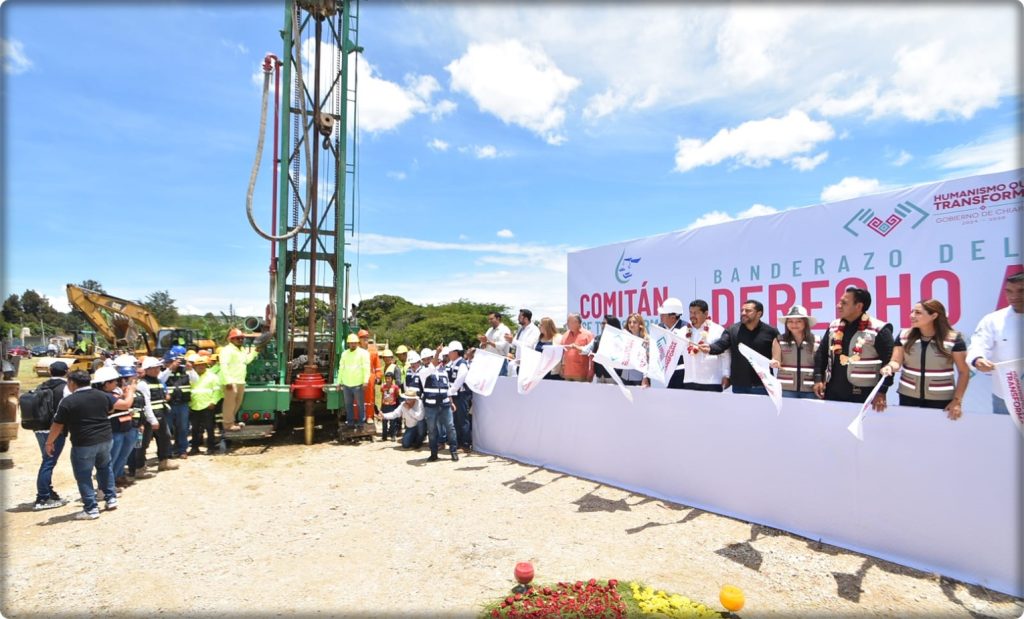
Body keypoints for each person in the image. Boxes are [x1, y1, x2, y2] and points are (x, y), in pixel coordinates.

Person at [45, 369, 118, 519]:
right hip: (105, 438)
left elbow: (57, 424)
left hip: (84, 442)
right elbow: (111, 408)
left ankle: (91, 509)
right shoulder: (103, 395)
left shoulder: (68, 401)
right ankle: (111, 499)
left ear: (72, 383)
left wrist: (49, 442)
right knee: (105, 468)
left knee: (84, 475)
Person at [881, 299, 969, 419]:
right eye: (912, 312)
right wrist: (889, 367)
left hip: (940, 400)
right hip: (908, 397)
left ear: (934, 315)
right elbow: (896, 362)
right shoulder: (903, 335)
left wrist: (957, 401)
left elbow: (964, 372)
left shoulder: (954, 339)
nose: (912, 315)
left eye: (918, 313)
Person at [812, 287, 894, 410]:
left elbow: (889, 362)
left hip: (863, 395)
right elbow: (822, 354)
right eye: (839, 302)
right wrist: (818, 378)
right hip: (833, 393)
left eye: (844, 303)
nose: (838, 305)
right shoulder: (834, 326)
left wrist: (882, 391)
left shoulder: (879, 329)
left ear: (859, 306)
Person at [967, 272, 1024, 414]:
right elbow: (978, 344)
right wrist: (977, 359)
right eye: (1009, 291)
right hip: (1006, 397)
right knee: (1005, 435)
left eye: (1021, 291)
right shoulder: (994, 320)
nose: (1014, 296)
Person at [701, 299, 780, 395]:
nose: (743, 313)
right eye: (742, 310)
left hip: (763, 385)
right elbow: (721, 344)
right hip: (739, 385)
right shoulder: (732, 329)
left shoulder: (771, 332)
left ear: (759, 314)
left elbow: (779, 355)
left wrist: (776, 360)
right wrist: (710, 348)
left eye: (748, 311)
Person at [32, 361, 71, 510]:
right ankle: (43, 497)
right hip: (55, 430)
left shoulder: (42, 385)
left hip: (39, 428)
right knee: (48, 462)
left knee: (47, 460)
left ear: (50, 371)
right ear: (66, 372)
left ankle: (48, 491)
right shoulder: (65, 388)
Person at [136, 356, 178, 472]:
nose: (157, 370)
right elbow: (146, 404)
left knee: (165, 437)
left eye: (158, 367)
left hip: (160, 415)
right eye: (154, 368)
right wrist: (152, 420)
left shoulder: (157, 380)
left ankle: (164, 461)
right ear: (147, 369)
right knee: (143, 443)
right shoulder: (143, 384)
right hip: (149, 417)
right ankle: (139, 467)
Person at [770, 305, 818, 399]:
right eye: (790, 321)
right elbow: (776, 359)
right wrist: (774, 363)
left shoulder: (817, 340)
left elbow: (821, 365)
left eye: (798, 321)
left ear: (805, 323)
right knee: (787, 414)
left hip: (810, 389)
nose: (794, 324)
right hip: (786, 388)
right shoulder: (779, 340)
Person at [682, 300, 730, 392]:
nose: (692, 315)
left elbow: (726, 354)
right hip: (690, 380)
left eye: (696, 313)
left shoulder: (718, 330)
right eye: (691, 312)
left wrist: (726, 374)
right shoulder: (683, 331)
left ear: (706, 313)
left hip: (712, 382)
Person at [110, 356, 142, 488]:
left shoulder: (134, 387)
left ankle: (118, 476)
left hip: (129, 425)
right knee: (114, 456)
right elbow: (122, 404)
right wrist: (128, 393)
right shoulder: (111, 388)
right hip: (115, 427)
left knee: (124, 454)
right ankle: (109, 482)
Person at [160, 347, 198, 459]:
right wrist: (170, 369)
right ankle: (167, 451)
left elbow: (196, 380)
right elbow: (160, 380)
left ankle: (182, 450)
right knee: (167, 430)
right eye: (170, 362)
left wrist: (190, 369)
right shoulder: (164, 372)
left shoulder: (185, 371)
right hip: (169, 405)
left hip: (183, 404)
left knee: (183, 428)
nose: (173, 364)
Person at [421, 352, 458, 462]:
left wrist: (451, 402)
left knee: (450, 428)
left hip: (445, 404)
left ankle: (453, 451)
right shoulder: (425, 372)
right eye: (437, 360)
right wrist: (437, 352)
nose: (440, 362)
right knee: (432, 430)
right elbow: (431, 368)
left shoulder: (444, 372)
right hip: (431, 406)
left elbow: (447, 388)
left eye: (440, 360)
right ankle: (433, 453)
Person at [220, 328, 258, 432]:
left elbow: (246, 360)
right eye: (237, 338)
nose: (240, 340)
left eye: (241, 338)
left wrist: (255, 352)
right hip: (231, 381)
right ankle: (228, 425)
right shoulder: (227, 350)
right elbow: (224, 366)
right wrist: (228, 381)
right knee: (230, 404)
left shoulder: (241, 350)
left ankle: (232, 422)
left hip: (240, 381)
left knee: (237, 403)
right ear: (231, 339)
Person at [188, 354, 222, 455]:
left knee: (210, 428)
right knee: (195, 429)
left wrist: (213, 402)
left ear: (206, 365)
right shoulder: (191, 377)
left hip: (207, 406)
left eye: (203, 365)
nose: (201, 367)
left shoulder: (212, 377)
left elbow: (217, 391)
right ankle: (195, 448)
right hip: (194, 405)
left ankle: (211, 448)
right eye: (199, 365)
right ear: (195, 366)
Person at [653, 298, 690, 388]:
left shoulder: (686, 329)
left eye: (663, 314)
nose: (660, 316)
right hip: (662, 374)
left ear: (673, 317)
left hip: (681, 375)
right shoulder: (659, 328)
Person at [337, 333, 370, 431]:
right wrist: (339, 382)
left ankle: (361, 423)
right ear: (348, 344)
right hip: (347, 385)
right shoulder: (344, 354)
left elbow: (366, 368)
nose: (353, 345)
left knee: (360, 405)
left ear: (358, 343)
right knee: (348, 405)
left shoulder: (363, 353)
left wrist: (365, 381)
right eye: (351, 343)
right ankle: (350, 422)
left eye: (355, 343)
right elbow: (341, 369)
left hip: (358, 384)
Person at [580, 315, 623, 384]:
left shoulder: (620, 339)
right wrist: (575, 347)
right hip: (600, 375)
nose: (602, 325)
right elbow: (585, 350)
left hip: (613, 376)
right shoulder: (597, 338)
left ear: (611, 325)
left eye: (604, 323)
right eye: (602, 323)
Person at [446, 341, 472, 452]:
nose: (448, 354)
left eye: (450, 352)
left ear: (456, 352)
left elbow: (460, 380)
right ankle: (458, 442)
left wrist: (450, 391)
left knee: (463, 420)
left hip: (461, 395)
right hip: (454, 395)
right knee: (455, 420)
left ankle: (466, 444)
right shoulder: (452, 364)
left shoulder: (462, 363)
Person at [560, 313, 594, 382]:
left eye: (569, 321)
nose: (567, 323)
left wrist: (591, 371)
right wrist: (562, 367)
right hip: (567, 372)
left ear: (577, 322)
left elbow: (592, 355)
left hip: (581, 373)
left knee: (581, 393)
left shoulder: (588, 335)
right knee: (567, 393)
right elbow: (562, 352)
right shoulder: (565, 334)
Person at [358, 330, 382, 424]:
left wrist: (378, 376)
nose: (365, 340)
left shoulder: (373, 351)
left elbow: (377, 366)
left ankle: (369, 416)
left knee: (370, 398)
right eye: (363, 338)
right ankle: (358, 417)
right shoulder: (356, 350)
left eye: (367, 338)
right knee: (357, 398)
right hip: (357, 377)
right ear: (359, 339)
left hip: (370, 377)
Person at [621, 313, 648, 386]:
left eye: (634, 322)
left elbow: (647, 360)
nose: (631, 324)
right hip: (625, 376)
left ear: (640, 324)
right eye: (629, 322)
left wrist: (645, 377)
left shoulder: (645, 340)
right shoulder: (624, 338)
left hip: (638, 377)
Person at [379, 371, 401, 441]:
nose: (387, 380)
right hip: (385, 406)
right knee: (384, 422)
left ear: (392, 379)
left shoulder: (395, 387)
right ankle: (384, 436)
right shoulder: (383, 387)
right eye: (386, 378)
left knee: (393, 422)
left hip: (392, 406)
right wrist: (381, 406)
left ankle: (393, 435)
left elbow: (397, 395)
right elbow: (382, 396)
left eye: (389, 378)